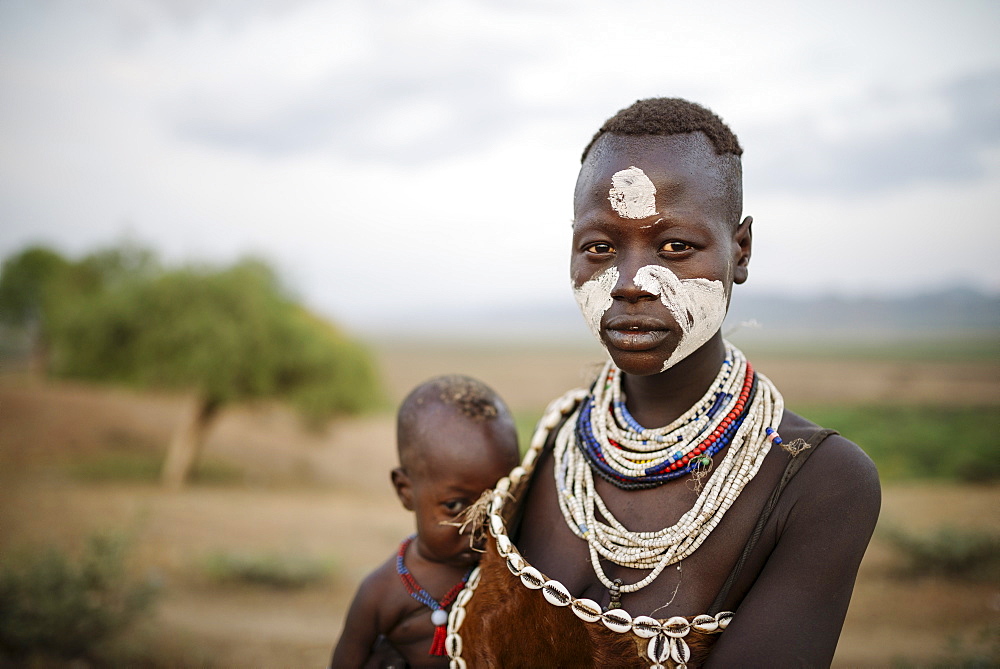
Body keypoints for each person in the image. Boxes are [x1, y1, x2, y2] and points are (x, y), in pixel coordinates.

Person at [445, 98, 881, 667]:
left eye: (675, 247)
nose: (630, 283)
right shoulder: (555, 441)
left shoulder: (819, 482)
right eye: (600, 247)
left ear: (740, 251)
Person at [331, 375, 520, 669]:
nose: (477, 525)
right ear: (406, 492)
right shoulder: (380, 593)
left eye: (495, 503)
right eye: (455, 506)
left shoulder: (514, 571)